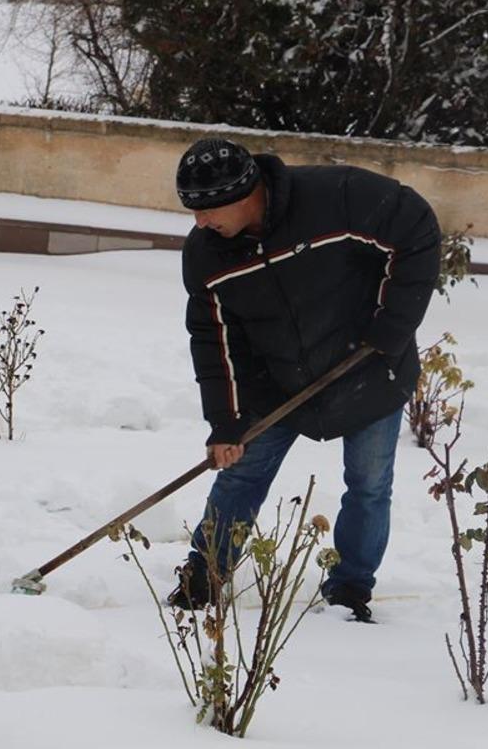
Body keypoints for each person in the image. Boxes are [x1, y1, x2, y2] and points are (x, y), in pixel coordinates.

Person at [167, 137, 440, 623]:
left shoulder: (335, 197)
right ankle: (205, 571)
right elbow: (213, 340)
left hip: (368, 368)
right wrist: (225, 422)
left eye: (207, 211)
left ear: (244, 193)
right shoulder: (207, 254)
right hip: (277, 381)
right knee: (243, 471)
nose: (200, 223)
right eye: (192, 211)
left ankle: (351, 586)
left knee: (369, 484)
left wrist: (392, 327)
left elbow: (415, 227)